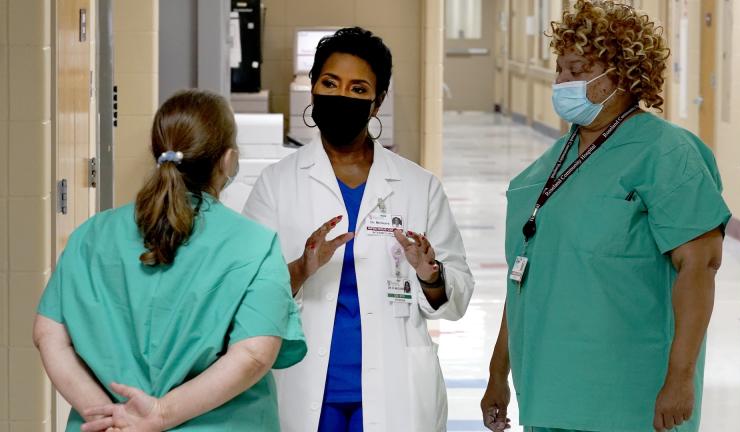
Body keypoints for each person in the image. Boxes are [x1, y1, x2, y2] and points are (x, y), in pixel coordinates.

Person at [480, 2, 731, 432]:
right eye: (560, 70)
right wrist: (497, 374)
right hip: (549, 391)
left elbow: (699, 267)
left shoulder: (667, 154)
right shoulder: (546, 168)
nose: (563, 82)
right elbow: (522, 276)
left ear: (626, 74)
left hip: (631, 396)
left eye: (579, 69)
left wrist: (681, 378)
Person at [243, 27, 474, 432]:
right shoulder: (276, 184)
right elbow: (246, 292)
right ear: (312, 88)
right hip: (305, 382)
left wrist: (430, 273)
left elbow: (455, 300)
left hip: (394, 386)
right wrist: (301, 267)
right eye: (330, 83)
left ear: (377, 102)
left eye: (357, 88)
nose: (341, 97)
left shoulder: (419, 186)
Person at [33, 89, 307, 432]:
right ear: (227, 160)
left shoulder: (90, 236)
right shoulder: (255, 246)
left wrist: (106, 416)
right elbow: (253, 355)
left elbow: (49, 334)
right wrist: (159, 414)